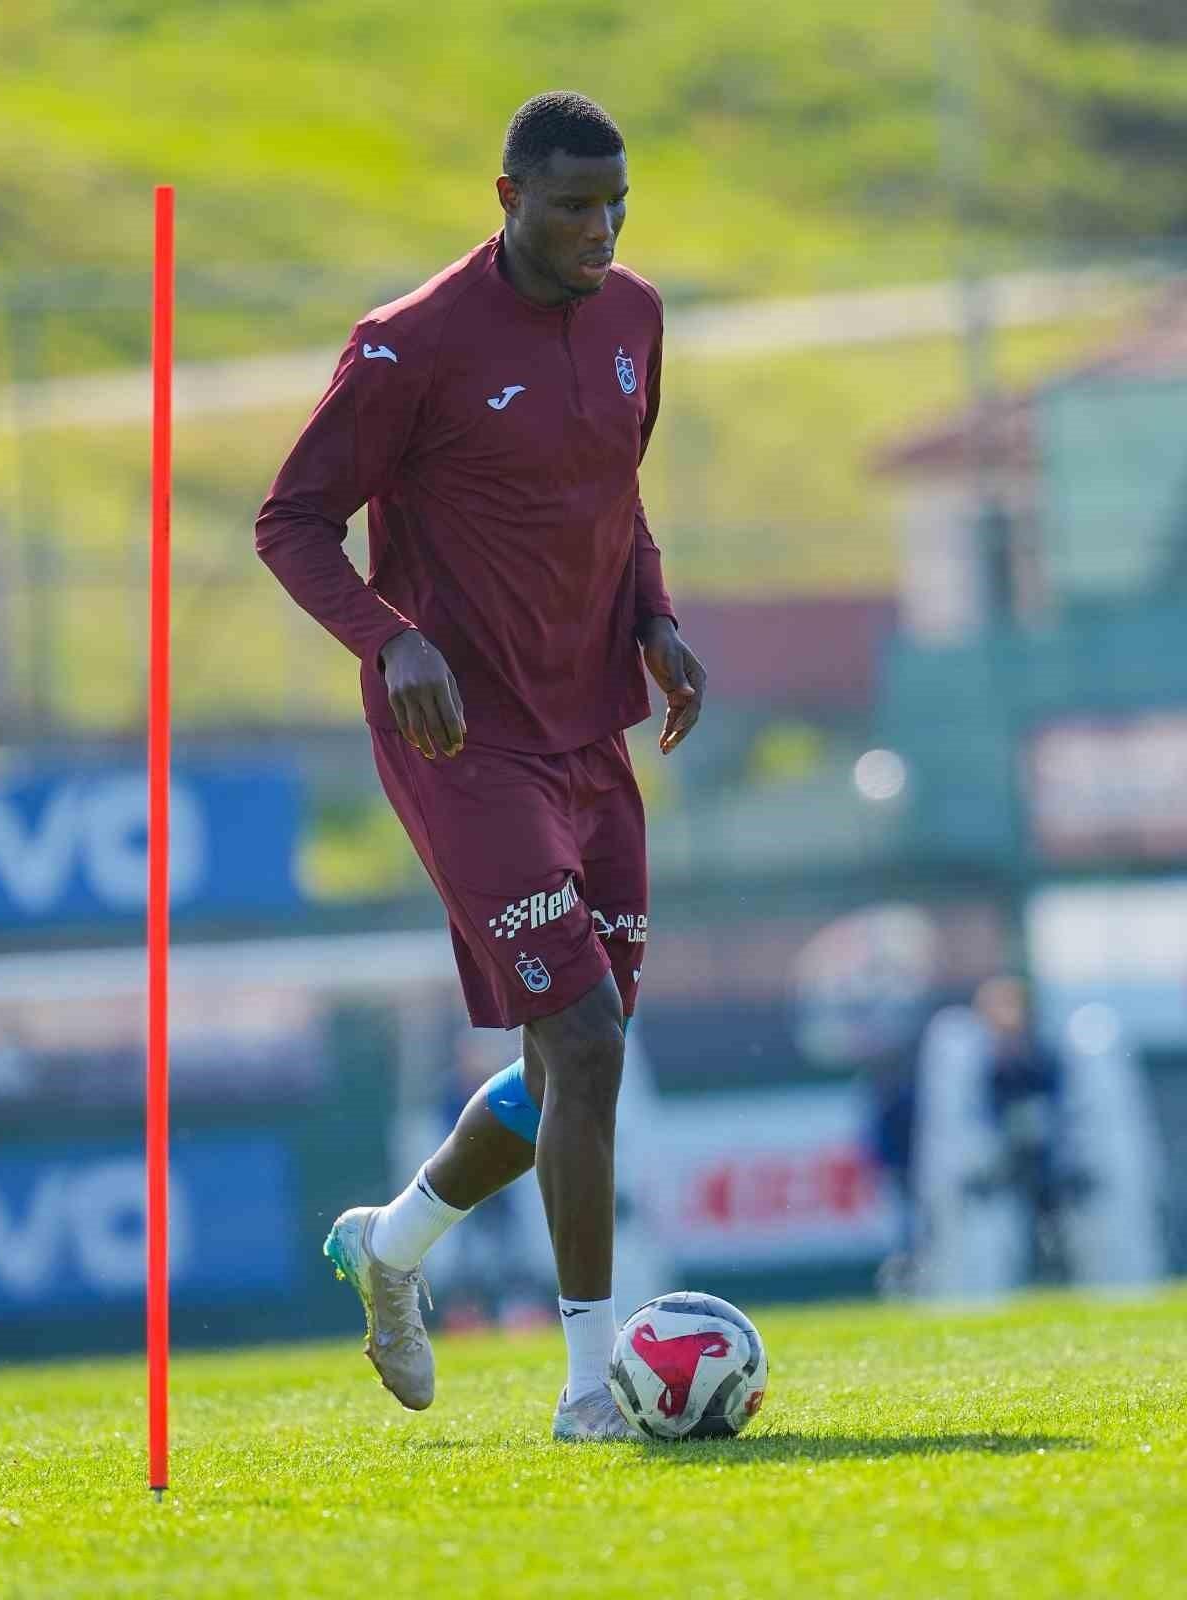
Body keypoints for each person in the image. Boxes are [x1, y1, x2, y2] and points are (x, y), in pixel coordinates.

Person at [255, 91, 706, 1440]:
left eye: (616, 203)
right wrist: (390, 640)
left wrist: (657, 621)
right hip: (464, 740)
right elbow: (291, 523)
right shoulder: (410, 345)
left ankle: (390, 1246)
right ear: (508, 197)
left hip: (591, 727)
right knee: (583, 1035)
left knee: (579, 1063)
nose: (601, 229)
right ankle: (588, 1390)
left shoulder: (635, 316)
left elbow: (619, 496)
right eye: (573, 205)